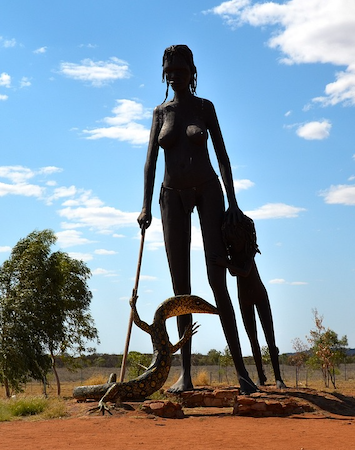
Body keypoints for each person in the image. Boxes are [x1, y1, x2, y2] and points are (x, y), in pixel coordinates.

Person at [137, 44, 257, 394]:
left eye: (180, 68)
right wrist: (145, 206)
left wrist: (233, 201)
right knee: (181, 289)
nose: (174, 74)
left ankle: (242, 373)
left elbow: (222, 155)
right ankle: (185, 375)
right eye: (168, 69)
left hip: (208, 191)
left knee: (217, 279)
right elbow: (150, 164)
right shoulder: (160, 112)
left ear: (192, 71)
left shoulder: (205, 108)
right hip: (171, 195)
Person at [214, 216, 286, 389]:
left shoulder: (249, 254)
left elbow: (245, 272)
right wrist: (227, 263)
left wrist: (225, 263)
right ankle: (261, 376)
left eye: (239, 238)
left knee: (270, 338)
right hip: (244, 299)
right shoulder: (234, 257)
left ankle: (278, 378)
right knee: (253, 339)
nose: (236, 242)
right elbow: (233, 274)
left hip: (260, 296)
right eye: (233, 239)